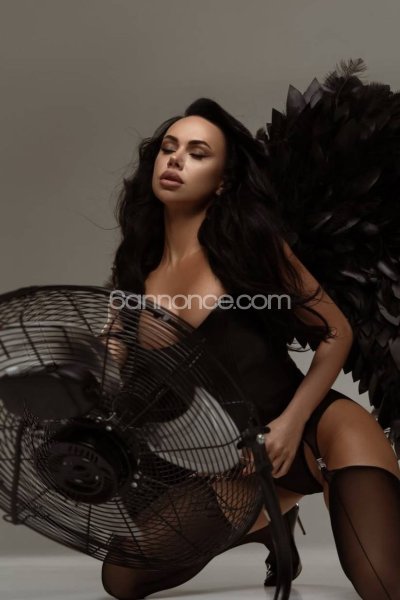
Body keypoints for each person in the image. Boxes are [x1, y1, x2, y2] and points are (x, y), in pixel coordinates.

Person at [101, 98, 400, 600]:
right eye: (169, 148)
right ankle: (272, 515)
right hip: (238, 463)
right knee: (121, 578)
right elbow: (114, 370)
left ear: (222, 181)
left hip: (316, 432)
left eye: (198, 153)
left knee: (384, 585)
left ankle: (313, 486)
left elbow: (337, 332)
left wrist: (290, 425)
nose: (176, 160)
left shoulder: (250, 246)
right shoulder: (135, 269)